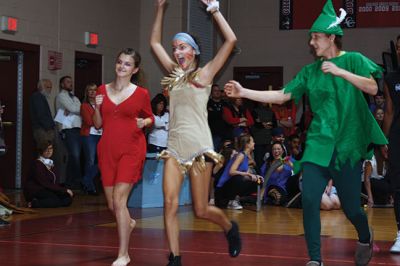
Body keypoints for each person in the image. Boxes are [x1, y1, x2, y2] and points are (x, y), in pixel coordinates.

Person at [224, 1, 387, 265]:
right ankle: (314, 259)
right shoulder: (310, 72)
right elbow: (281, 95)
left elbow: (372, 88)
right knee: (310, 199)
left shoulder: (353, 60)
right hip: (318, 145)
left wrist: (340, 71)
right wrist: (244, 92)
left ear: (331, 37)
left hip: (347, 146)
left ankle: (365, 236)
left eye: (315, 37)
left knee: (351, 207)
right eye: (311, 38)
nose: (311, 43)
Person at [150, 0, 241, 265]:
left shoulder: (206, 72)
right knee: (170, 203)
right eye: (175, 48)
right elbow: (154, 43)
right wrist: (160, 9)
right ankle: (175, 257)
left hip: (200, 148)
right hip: (174, 147)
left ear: (194, 51)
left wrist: (214, 10)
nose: (177, 52)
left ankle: (229, 228)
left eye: (183, 47)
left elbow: (231, 40)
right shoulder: (173, 74)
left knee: (201, 209)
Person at [93, 48, 153, 266]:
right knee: (113, 205)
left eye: (127, 64)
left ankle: (123, 254)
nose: (122, 66)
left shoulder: (141, 93)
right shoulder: (102, 89)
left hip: (132, 149)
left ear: (134, 69)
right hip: (107, 150)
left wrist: (144, 123)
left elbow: (150, 118)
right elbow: (98, 124)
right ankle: (128, 222)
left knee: (119, 201)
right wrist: (97, 107)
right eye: (120, 62)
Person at [382, 59, 400, 253]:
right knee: (398, 188)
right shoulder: (390, 78)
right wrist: (384, 139)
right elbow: (388, 111)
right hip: (397, 137)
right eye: (399, 46)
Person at [215, 135, 261, 210]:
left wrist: (255, 177)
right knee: (238, 178)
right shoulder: (240, 155)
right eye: (252, 141)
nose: (254, 143)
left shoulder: (245, 156)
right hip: (222, 191)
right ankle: (232, 200)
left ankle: (236, 199)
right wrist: (247, 174)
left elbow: (246, 175)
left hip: (230, 187)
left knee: (258, 182)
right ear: (247, 144)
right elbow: (231, 172)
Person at [24, 140, 73, 208]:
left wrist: (62, 191)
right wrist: (63, 190)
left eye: (51, 148)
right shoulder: (37, 164)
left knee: (67, 198)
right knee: (55, 199)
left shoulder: (50, 163)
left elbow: (54, 182)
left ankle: (49, 201)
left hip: (47, 189)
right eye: (46, 149)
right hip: (36, 190)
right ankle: (34, 203)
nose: (49, 151)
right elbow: (44, 183)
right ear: (41, 151)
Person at [55, 75, 82, 189]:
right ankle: (76, 180)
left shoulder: (74, 97)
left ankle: (70, 181)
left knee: (74, 156)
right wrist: (74, 109)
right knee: (74, 155)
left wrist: (75, 109)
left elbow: (80, 109)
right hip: (68, 128)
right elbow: (75, 109)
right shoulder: (61, 96)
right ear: (62, 84)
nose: (70, 84)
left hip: (77, 128)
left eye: (71, 82)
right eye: (67, 82)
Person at [80, 83, 102, 195]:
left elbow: (106, 120)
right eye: (90, 90)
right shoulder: (84, 105)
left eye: (95, 90)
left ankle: (86, 180)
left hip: (101, 135)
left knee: (102, 160)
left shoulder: (102, 105)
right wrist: (98, 118)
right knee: (90, 160)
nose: (93, 92)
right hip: (89, 135)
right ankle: (89, 187)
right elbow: (89, 122)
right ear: (87, 92)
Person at [30, 79, 56, 146]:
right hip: (43, 130)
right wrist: (50, 127)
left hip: (44, 129)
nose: (50, 89)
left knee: (46, 151)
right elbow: (41, 114)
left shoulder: (41, 97)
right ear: (41, 87)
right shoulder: (37, 96)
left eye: (51, 87)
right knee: (45, 151)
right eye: (48, 87)